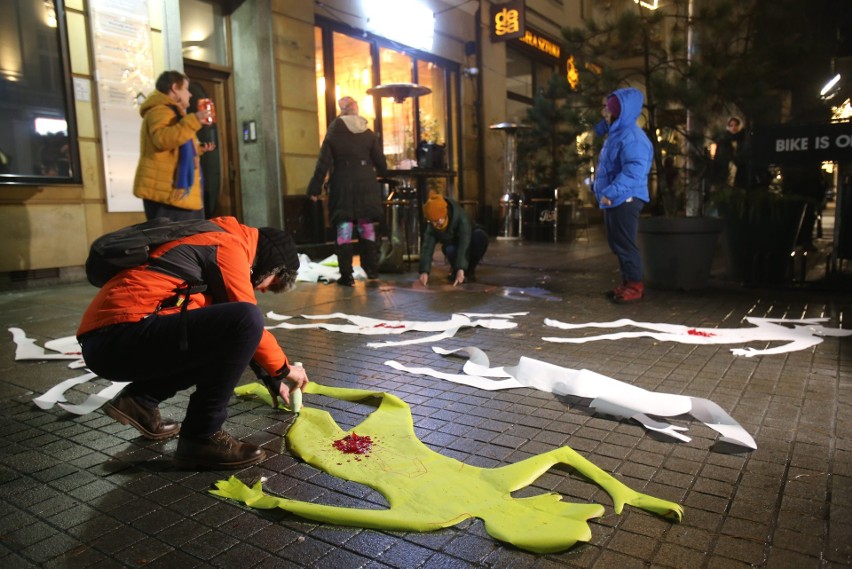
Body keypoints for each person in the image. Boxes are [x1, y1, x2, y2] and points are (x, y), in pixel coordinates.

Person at [76, 216, 308, 469]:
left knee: (225, 333)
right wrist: (285, 370)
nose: (264, 290)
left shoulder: (215, 238)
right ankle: (202, 436)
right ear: (272, 266)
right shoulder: (227, 245)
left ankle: (140, 402)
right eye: (272, 283)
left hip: (109, 339)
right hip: (119, 335)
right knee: (247, 316)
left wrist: (271, 377)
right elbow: (245, 322)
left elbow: (230, 335)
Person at [307, 96, 388, 286]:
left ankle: (347, 275)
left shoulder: (335, 130)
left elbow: (323, 162)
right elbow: (380, 162)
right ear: (354, 107)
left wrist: (314, 188)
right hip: (366, 182)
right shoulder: (367, 132)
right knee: (366, 227)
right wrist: (384, 173)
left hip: (342, 183)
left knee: (344, 229)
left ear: (342, 109)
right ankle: (372, 270)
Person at [593, 88, 653, 303]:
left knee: (625, 244)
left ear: (618, 112)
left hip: (625, 198)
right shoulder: (618, 133)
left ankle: (635, 286)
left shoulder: (632, 137)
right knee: (617, 243)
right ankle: (628, 283)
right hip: (615, 197)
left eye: (608, 109)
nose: (604, 112)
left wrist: (610, 192)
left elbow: (633, 170)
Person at [133, 70, 216, 221]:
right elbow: (162, 139)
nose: (189, 94)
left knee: (188, 241)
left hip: (176, 196)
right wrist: (194, 120)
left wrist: (198, 150)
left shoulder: (173, 113)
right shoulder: (160, 111)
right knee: (177, 242)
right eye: (185, 89)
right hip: (168, 196)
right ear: (174, 88)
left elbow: (177, 146)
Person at [418, 190, 489, 286]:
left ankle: (469, 269)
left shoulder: (460, 216)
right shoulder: (433, 225)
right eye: (432, 221)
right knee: (450, 250)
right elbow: (427, 248)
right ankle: (457, 270)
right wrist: (424, 272)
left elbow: (464, 243)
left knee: (479, 237)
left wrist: (461, 268)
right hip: (452, 244)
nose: (435, 224)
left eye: (437, 220)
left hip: (469, 241)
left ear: (444, 213)